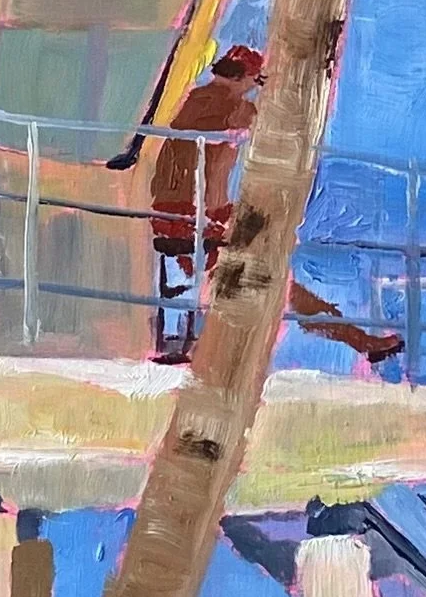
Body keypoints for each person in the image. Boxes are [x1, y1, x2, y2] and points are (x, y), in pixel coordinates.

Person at [147, 45, 403, 367]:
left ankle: (360, 341)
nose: (255, 87)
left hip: (194, 216)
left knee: (278, 283)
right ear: (244, 77)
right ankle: (360, 341)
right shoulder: (223, 105)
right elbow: (256, 124)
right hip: (191, 219)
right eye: (256, 80)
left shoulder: (204, 103)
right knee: (278, 283)